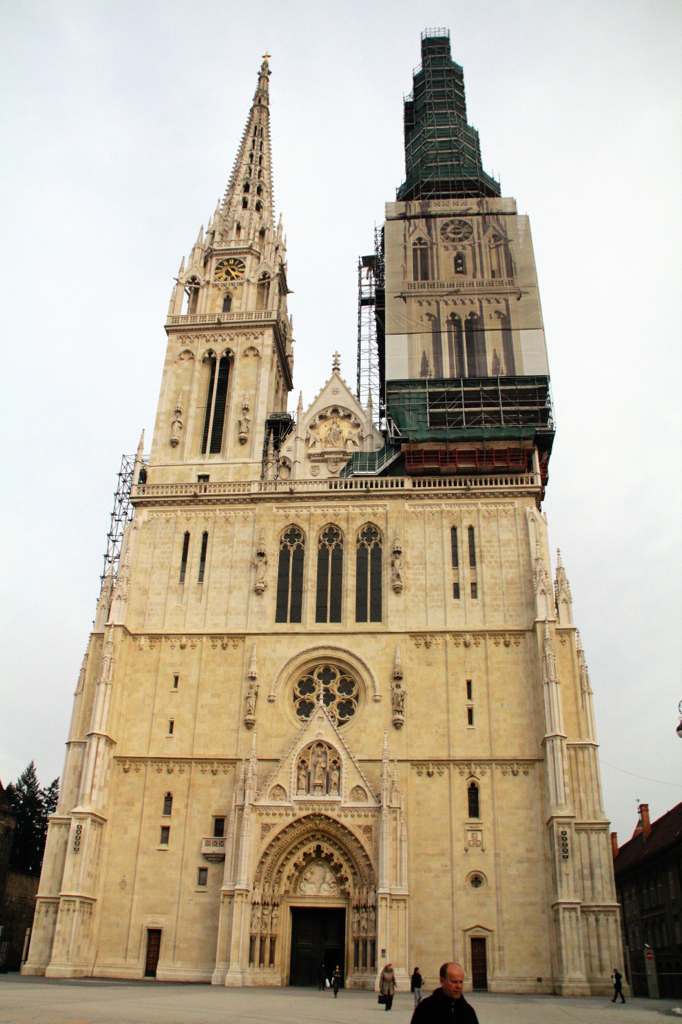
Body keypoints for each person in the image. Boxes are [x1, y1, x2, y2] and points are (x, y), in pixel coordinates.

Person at [411, 962, 479, 1023]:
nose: (458, 986)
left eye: (461, 982)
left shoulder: (468, 1011)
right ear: (442, 981)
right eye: (454, 982)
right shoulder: (425, 1009)